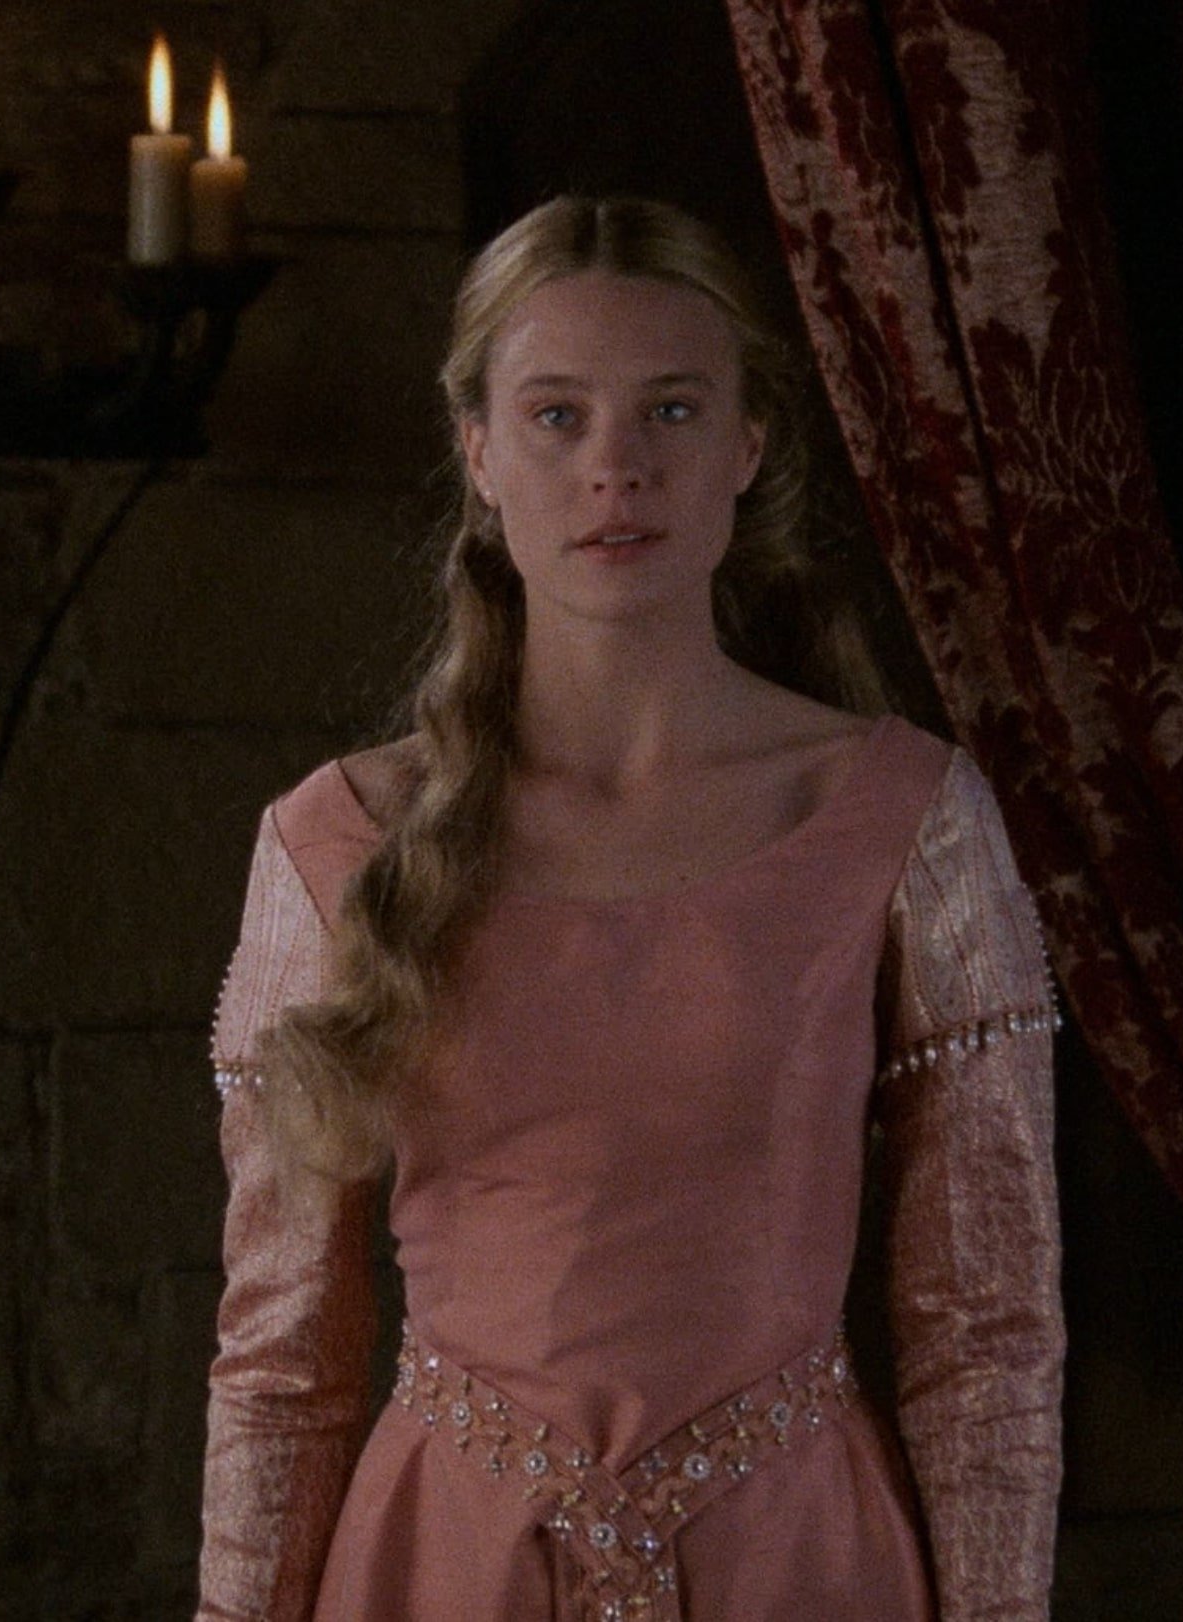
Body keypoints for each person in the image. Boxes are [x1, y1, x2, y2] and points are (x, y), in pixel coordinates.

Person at [197, 195, 1064, 1621]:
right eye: (557, 416)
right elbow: (281, 1362)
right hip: (445, 1571)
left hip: (797, 1567)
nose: (617, 466)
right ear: (479, 452)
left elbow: (986, 1334)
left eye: (671, 409)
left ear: (748, 445)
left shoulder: (904, 820)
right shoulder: (338, 841)